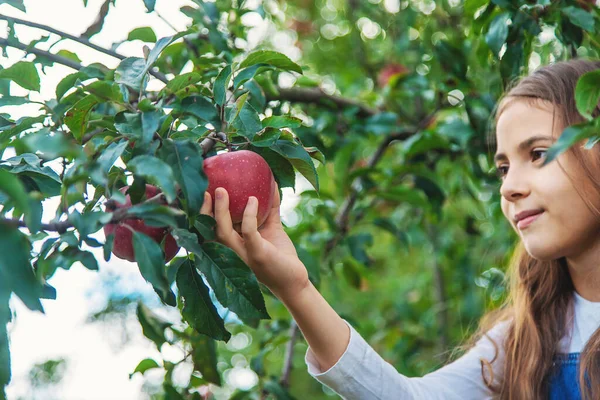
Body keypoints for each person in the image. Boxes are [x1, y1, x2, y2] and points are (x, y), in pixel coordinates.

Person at [200, 58, 600, 400]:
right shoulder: (526, 338)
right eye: (502, 168)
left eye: (539, 153)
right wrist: (296, 288)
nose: (510, 186)